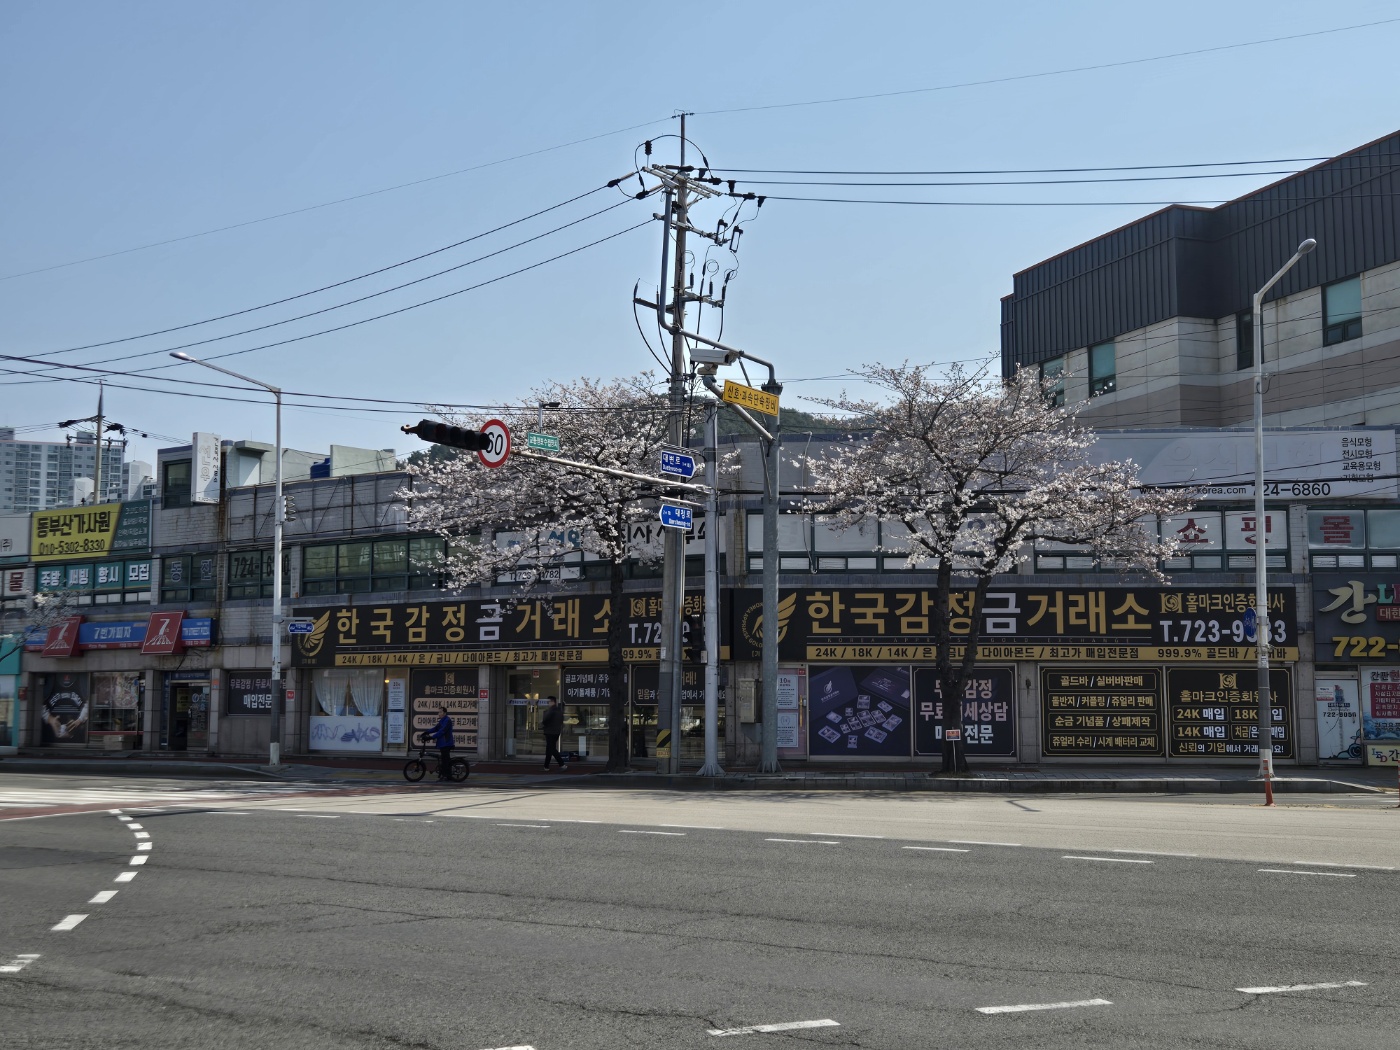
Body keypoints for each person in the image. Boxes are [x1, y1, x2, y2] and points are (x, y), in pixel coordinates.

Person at [428, 705, 454, 781]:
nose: (439, 714)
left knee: (445, 761)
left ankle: (446, 776)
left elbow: (442, 731)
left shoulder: (447, 720)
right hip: (442, 743)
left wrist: (432, 737)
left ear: (444, 713)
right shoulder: (442, 720)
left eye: (440, 712)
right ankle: (445, 775)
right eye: (438, 712)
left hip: (446, 743)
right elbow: (435, 728)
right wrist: (426, 732)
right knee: (444, 759)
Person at [541, 696, 567, 771]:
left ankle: (562, 764)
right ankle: (546, 766)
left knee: (551, 749)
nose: (548, 703)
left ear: (552, 701)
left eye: (548, 701)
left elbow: (545, 720)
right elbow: (561, 721)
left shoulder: (551, 710)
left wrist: (542, 724)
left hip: (550, 732)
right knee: (549, 749)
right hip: (556, 732)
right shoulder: (559, 710)